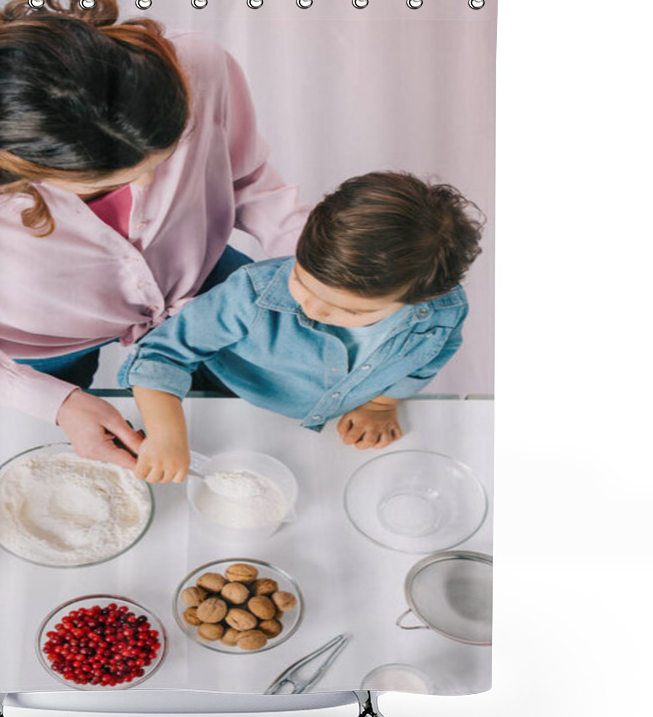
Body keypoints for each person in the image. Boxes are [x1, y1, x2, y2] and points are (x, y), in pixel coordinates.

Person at [0, 0, 308, 468]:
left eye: (169, 152)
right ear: (17, 165)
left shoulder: (199, 66)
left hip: (198, 281)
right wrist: (50, 401)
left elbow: (247, 177)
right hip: (36, 343)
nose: (149, 182)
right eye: (112, 179)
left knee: (256, 418)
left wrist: (316, 263)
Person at [118, 171, 483, 484]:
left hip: (319, 445)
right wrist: (166, 434)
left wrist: (380, 405)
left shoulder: (442, 312)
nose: (311, 307)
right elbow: (162, 355)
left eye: (348, 310)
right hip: (226, 397)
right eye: (301, 281)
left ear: (420, 299)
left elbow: (428, 360)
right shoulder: (251, 293)